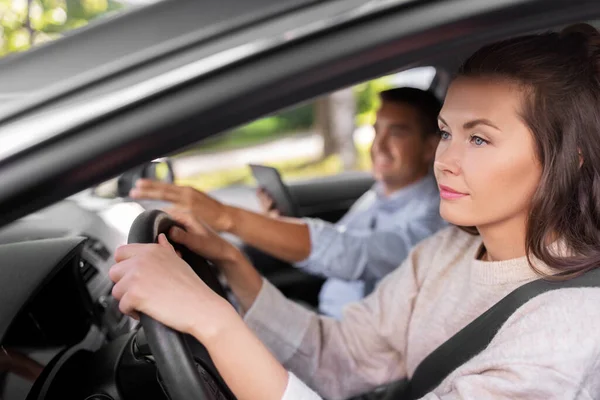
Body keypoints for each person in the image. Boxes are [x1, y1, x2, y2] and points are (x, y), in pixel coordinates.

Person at [110, 23, 600, 399]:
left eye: (478, 138)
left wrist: (212, 321)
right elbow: (338, 356)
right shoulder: (445, 252)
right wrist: (232, 265)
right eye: (447, 132)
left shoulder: (571, 325)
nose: (445, 160)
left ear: (569, 156)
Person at [129, 87, 446, 318]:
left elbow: (351, 254)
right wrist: (278, 227)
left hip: (357, 350)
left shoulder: (434, 220)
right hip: (325, 321)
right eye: (377, 131)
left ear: (430, 146)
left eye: (398, 134)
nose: (379, 146)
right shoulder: (377, 194)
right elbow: (338, 243)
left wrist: (227, 218)